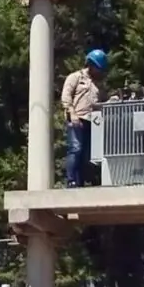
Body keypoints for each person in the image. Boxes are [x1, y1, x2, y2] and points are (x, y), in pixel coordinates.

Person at [61, 49, 109, 187]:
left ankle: (82, 181)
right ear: (91, 64)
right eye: (98, 68)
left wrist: (110, 100)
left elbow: (100, 102)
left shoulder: (97, 84)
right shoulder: (75, 77)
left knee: (88, 154)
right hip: (77, 119)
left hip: (92, 121)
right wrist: (72, 113)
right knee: (76, 149)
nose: (99, 72)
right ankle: (71, 181)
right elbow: (66, 96)